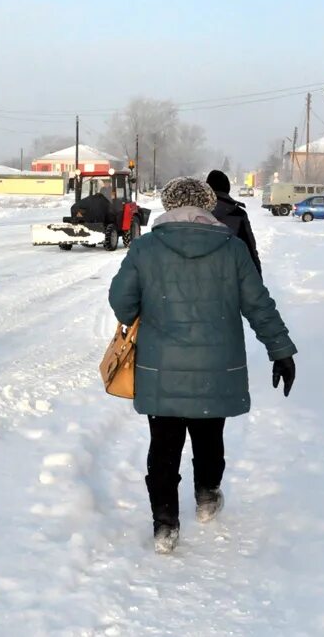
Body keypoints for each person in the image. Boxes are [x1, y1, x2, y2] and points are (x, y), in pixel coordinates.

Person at [107, 176, 297, 554]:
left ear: (168, 205)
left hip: (160, 367)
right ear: (209, 206)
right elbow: (258, 304)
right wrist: (281, 351)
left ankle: (165, 525)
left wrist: (147, 310)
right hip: (216, 366)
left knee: (163, 446)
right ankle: (207, 497)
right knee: (210, 438)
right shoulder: (231, 249)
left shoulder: (145, 248)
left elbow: (121, 301)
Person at [206, 169, 262, 273]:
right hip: (229, 278)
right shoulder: (238, 214)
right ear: (227, 189)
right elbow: (250, 252)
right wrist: (258, 281)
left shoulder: (193, 213)